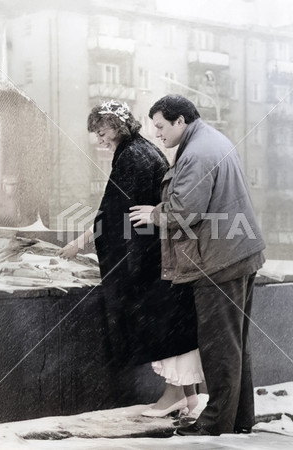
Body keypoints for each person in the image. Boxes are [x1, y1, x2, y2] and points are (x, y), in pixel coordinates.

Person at [129, 94, 266, 436]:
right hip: (236, 253)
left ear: (180, 121)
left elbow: (186, 211)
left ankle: (215, 423)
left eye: (161, 126)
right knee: (235, 345)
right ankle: (238, 418)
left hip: (218, 260)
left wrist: (154, 213)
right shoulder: (211, 140)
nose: (157, 133)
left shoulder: (197, 153)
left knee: (219, 346)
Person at [57, 99, 203, 415]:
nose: (99, 138)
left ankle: (174, 393)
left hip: (153, 257)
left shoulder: (132, 157)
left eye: (102, 130)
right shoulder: (142, 149)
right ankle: (188, 396)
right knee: (176, 325)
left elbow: (113, 214)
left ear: (118, 126)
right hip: (165, 252)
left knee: (164, 327)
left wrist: (80, 244)